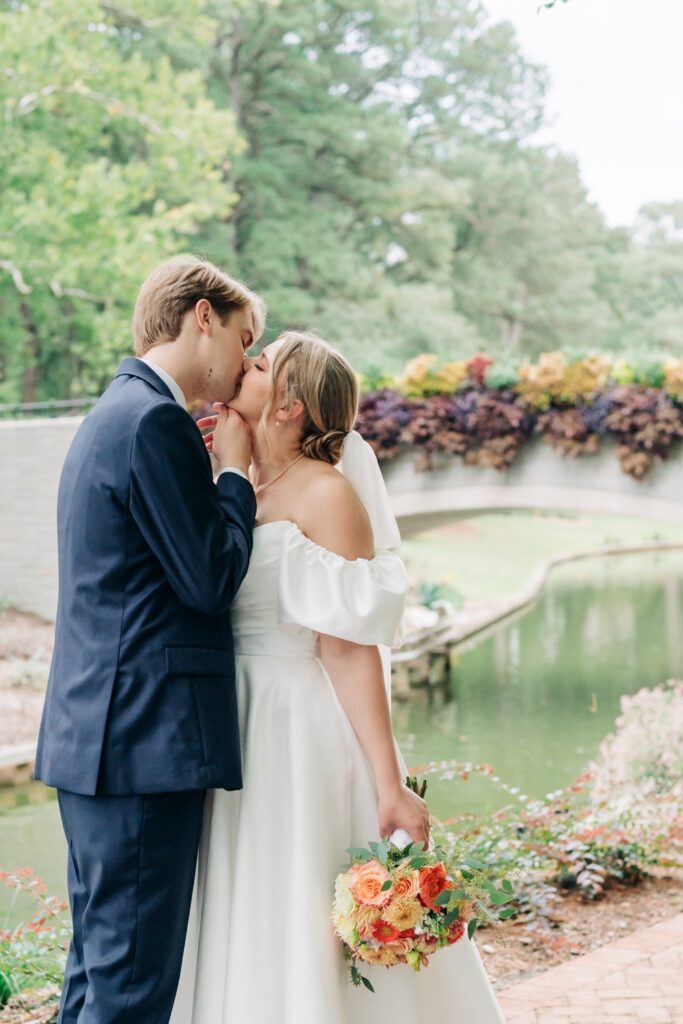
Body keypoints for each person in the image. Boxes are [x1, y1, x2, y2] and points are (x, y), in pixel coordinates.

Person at [171, 332, 505, 1023]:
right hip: (228, 717)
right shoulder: (233, 478)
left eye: (260, 364)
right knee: (244, 898)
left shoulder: (327, 495)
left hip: (293, 727)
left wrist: (389, 785)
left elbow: (349, 650)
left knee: (294, 895)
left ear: (289, 405)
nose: (244, 364)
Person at [34, 257, 265, 1023]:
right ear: (203, 317)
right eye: (243, 336)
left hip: (99, 741)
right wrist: (232, 475)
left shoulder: (114, 412)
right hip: (142, 746)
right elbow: (207, 579)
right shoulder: (154, 421)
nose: (242, 360)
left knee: (95, 983)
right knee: (129, 996)